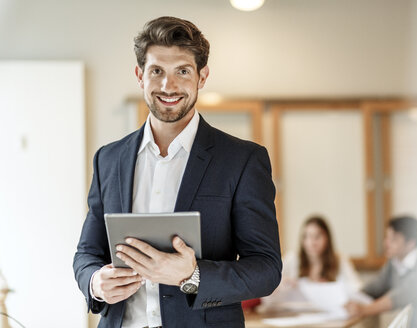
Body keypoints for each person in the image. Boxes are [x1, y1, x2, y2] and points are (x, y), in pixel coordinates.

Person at [73, 16, 282, 328]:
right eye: (157, 71)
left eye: (182, 71)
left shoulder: (243, 160)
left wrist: (191, 275)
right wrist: (96, 282)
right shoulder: (109, 159)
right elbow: (87, 253)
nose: (168, 86)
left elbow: (266, 269)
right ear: (140, 75)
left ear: (202, 76)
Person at [345, 215, 417, 327]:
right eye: (387, 238)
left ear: (411, 243)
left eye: (393, 239)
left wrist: (363, 310)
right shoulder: (394, 263)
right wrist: (350, 298)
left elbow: (400, 296)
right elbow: (375, 287)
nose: (386, 243)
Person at [262, 216, 362, 310]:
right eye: (307, 237)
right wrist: (284, 285)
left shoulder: (340, 260)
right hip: (296, 315)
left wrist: (328, 288)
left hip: (328, 316)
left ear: (327, 239)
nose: (311, 242)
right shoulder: (292, 259)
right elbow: (267, 293)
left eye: (317, 237)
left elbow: (356, 289)